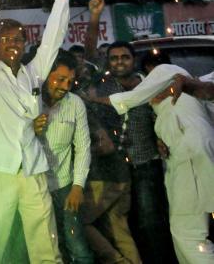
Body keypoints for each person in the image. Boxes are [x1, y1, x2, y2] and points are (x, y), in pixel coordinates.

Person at [0, 0, 78, 264]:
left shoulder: (34, 71)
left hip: (32, 168)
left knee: (45, 240)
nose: (13, 44)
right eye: (5, 39)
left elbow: (53, 38)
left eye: (18, 39)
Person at [103, 63, 214, 264]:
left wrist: (92, 98)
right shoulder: (194, 97)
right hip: (190, 158)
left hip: (190, 160)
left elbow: (132, 99)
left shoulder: (166, 73)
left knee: (188, 233)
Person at [84, 38, 174, 263]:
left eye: (125, 57)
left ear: (134, 60)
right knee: (121, 224)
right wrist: (94, 16)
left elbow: (164, 117)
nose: (119, 62)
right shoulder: (104, 85)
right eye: (114, 58)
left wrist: (161, 138)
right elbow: (88, 54)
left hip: (146, 164)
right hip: (114, 169)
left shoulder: (150, 84)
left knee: (151, 222)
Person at [33, 51, 93, 263]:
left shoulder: (75, 103)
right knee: (42, 246)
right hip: (33, 188)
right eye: (60, 79)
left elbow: (83, 147)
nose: (65, 86)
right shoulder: (29, 99)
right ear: (45, 74)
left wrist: (78, 186)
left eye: (70, 81)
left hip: (65, 185)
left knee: (77, 246)